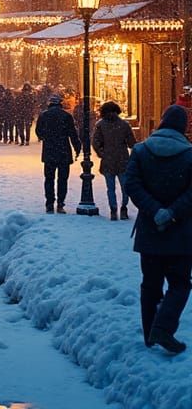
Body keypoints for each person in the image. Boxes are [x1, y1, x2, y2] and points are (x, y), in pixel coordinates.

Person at [124, 104, 192, 354]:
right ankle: (163, 327)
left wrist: (154, 210)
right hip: (180, 232)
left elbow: (131, 183)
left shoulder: (141, 151)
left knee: (150, 284)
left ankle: (149, 333)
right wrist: (172, 212)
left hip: (150, 231)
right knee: (180, 283)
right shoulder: (189, 155)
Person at [35, 93, 81, 213]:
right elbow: (73, 134)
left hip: (49, 151)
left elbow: (38, 131)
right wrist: (77, 147)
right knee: (63, 179)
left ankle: (49, 203)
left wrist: (45, 137)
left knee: (49, 178)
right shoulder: (66, 116)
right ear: (60, 104)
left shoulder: (44, 115)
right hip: (63, 151)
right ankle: (60, 203)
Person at [93, 100, 136, 221]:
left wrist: (102, 153)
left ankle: (113, 209)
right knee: (125, 187)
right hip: (123, 159)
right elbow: (132, 143)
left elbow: (95, 142)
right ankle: (124, 208)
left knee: (110, 187)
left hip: (108, 160)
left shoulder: (100, 125)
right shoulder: (124, 124)